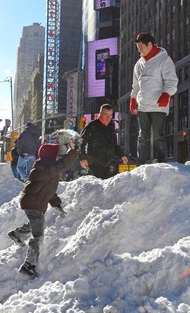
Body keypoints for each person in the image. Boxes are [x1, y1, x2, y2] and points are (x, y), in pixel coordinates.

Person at [7, 143, 79, 279]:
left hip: (33, 202)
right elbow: (63, 164)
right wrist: (73, 152)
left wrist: (57, 205)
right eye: (56, 154)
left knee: (36, 224)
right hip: (33, 203)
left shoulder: (46, 170)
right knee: (38, 235)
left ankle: (18, 235)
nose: (58, 156)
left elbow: (49, 191)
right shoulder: (48, 168)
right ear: (51, 156)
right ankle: (29, 265)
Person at [129, 33, 179, 164]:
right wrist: (133, 99)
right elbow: (135, 86)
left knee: (158, 136)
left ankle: (161, 161)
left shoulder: (164, 60)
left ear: (150, 44)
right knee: (142, 137)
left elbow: (172, 81)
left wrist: (166, 94)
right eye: (137, 47)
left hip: (158, 105)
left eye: (141, 46)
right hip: (143, 106)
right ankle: (141, 162)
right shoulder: (139, 64)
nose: (139, 49)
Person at [79, 104, 129, 179]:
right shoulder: (92, 126)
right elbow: (80, 142)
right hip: (94, 164)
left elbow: (114, 145)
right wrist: (82, 158)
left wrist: (121, 155)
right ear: (100, 113)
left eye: (110, 115)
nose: (108, 117)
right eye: (106, 114)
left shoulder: (112, 126)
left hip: (108, 164)